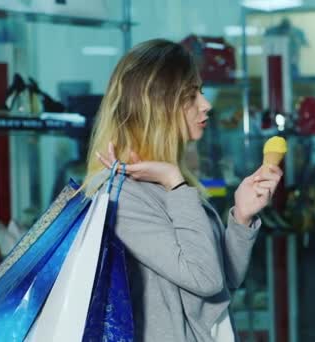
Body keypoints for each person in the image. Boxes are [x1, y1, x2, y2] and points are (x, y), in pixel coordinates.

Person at [86, 39, 283, 341]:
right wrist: (174, 181)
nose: (206, 104)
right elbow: (204, 278)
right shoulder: (122, 196)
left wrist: (241, 218)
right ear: (156, 105)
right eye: (191, 95)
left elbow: (221, 285)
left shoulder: (166, 183)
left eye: (200, 92)